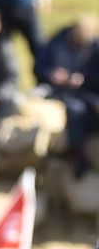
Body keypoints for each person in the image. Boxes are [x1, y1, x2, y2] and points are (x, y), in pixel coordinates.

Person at [38, 15, 99, 162]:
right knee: (75, 109)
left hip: (84, 92)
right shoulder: (57, 42)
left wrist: (83, 79)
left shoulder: (94, 47)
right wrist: (51, 74)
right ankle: (76, 153)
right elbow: (39, 66)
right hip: (56, 91)